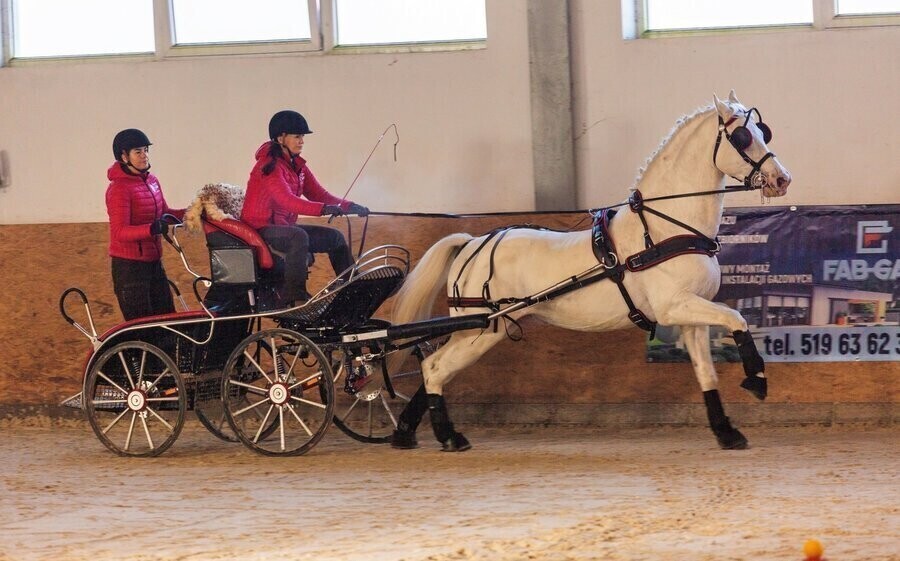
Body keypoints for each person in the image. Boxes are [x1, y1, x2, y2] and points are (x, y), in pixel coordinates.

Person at [240, 110, 369, 305]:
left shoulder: (297, 166)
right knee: (297, 236)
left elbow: (319, 194)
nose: (301, 141)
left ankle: (352, 287)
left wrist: (350, 206)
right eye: (297, 136)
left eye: (302, 137)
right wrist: (323, 209)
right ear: (280, 138)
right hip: (261, 229)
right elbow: (287, 200)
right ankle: (295, 298)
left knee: (335, 238)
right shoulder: (269, 166)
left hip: (283, 227)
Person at [106, 128, 185, 320]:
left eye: (145, 150)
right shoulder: (119, 189)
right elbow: (119, 232)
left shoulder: (152, 181)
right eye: (138, 152)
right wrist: (151, 229)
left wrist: (194, 211)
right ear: (124, 156)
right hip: (130, 268)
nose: (144, 156)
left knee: (168, 319)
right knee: (143, 326)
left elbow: (165, 214)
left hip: (154, 263)